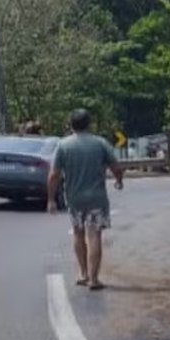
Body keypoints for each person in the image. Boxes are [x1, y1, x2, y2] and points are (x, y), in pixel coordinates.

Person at [47, 109, 124, 290]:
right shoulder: (100, 143)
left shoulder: (63, 145)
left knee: (78, 233)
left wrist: (50, 199)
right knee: (94, 235)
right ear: (89, 124)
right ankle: (94, 279)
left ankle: (82, 273)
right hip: (96, 198)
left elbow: (54, 175)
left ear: (71, 125)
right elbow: (116, 167)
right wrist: (119, 181)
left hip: (74, 199)